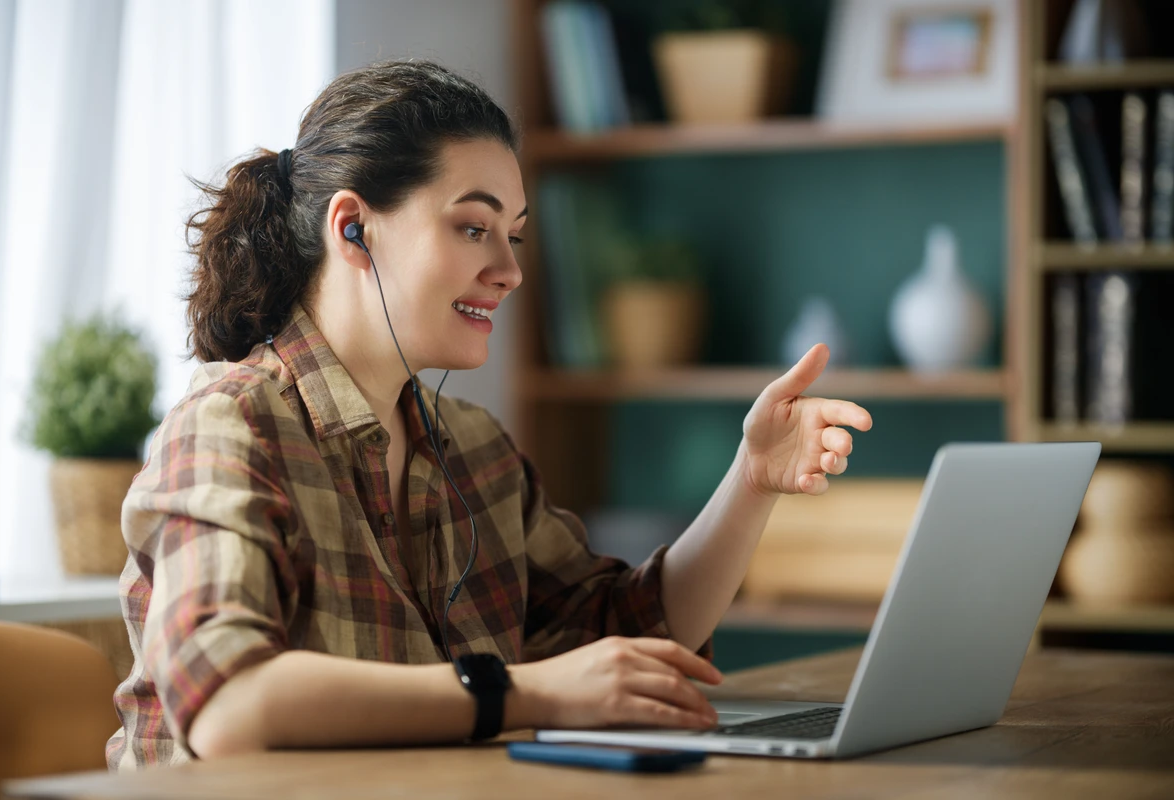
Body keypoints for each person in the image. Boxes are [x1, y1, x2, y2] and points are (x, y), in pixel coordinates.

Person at [106, 60, 873, 770]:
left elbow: (629, 638)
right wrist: (525, 693)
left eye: (513, 235)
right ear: (353, 229)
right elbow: (228, 706)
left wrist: (753, 477)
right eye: (474, 227)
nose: (508, 272)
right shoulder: (228, 425)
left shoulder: (473, 450)